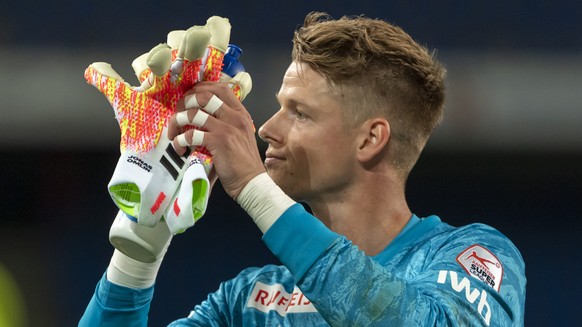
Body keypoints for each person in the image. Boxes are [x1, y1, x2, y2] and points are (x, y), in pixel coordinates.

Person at [80, 12, 526, 326]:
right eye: (279, 109)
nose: (268, 129)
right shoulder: (249, 303)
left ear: (370, 140)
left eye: (300, 113)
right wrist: (139, 246)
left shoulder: (474, 257)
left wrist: (255, 188)